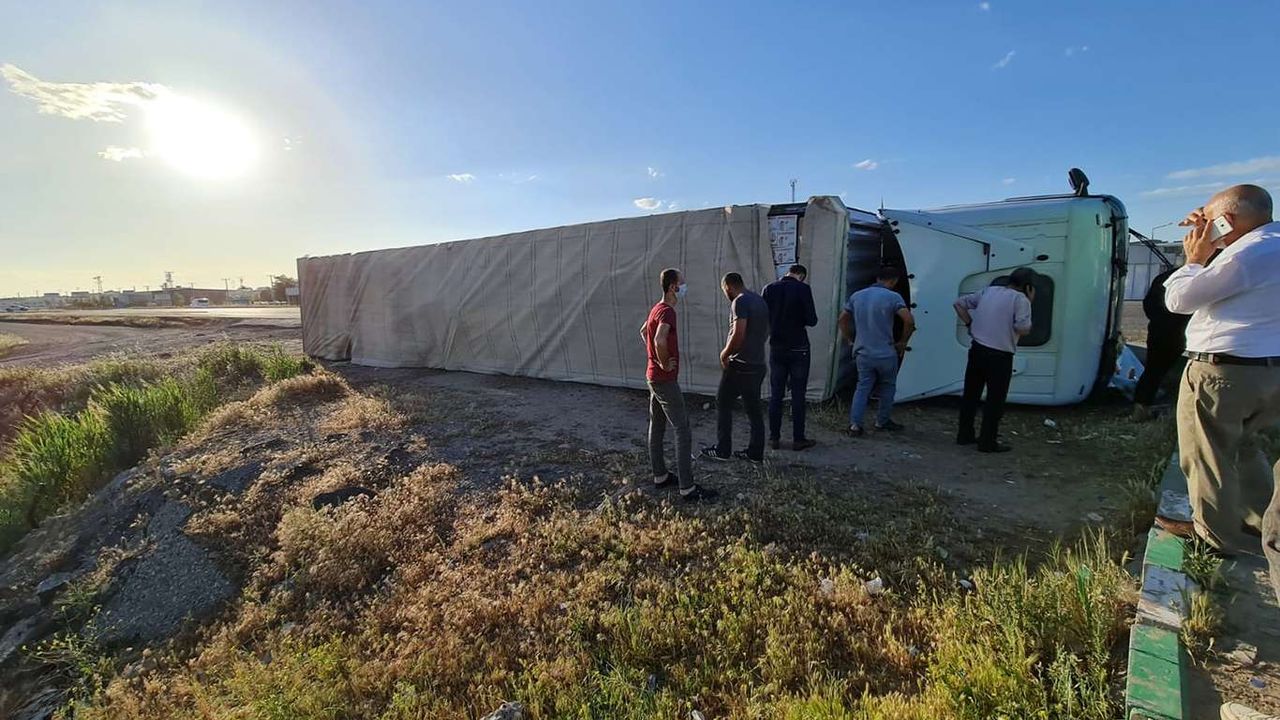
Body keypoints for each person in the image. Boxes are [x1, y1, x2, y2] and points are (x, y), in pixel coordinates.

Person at [1154, 185, 1280, 580]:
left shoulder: (1249, 254)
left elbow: (1179, 300)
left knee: (1207, 455)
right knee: (1242, 447)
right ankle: (1258, 519)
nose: (1205, 226)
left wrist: (1195, 258)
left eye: (1211, 219)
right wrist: (1215, 240)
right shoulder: (1270, 246)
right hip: (1269, 371)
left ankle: (1213, 536)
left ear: (1229, 219)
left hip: (1224, 372)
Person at [641, 268, 715, 502]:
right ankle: (687, 488)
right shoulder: (667, 312)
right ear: (673, 287)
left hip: (653, 376)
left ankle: (660, 476)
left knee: (657, 425)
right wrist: (664, 362)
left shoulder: (656, 308)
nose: (684, 286)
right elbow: (658, 339)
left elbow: (644, 332)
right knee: (682, 429)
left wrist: (654, 358)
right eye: (682, 283)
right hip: (664, 380)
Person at [953, 267, 1036, 453]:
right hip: (1000, 356)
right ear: (1028, 287)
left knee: (971, 394)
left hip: (977, 349)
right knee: (995, 400)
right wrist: (1029, 304)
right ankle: (987, 441)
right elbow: (1023, 329)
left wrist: (970, 323)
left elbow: (959, 304)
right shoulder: (1021, 300)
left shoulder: (988, 291)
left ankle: (964, 435)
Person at [701, 272, 770, 463]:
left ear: (728, 287)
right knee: (754, 410)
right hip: (758, 364)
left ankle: (723, 449)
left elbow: (738, 334)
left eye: (725, 290)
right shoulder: (759, 301)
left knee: (723, 402)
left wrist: (725, 354)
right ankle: (755, 453)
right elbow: (766, 330)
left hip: (740, 365)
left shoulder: (739, 301)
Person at [838, 266, 915, 436]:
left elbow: (842, 319)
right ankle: (882, 421)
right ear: (894, 281)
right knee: (887, 386)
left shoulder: (857, 296)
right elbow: (909, 321)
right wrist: (902, 342)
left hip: (863, 352)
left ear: (877, 278)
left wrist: (850, 338)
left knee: (862, 387)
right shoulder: (893, 297)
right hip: (885, 353)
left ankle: (855, 426)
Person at [763, 264, 819, 451]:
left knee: (776, 394)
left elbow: (764, 317)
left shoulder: (769, 289)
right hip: (798, 347)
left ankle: (774, 438)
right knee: (798, 394)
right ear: (801, 275)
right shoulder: (803, 289)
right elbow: (812, 320)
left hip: (777, 347)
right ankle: (798, 439)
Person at [1131, 266, 1192, 421]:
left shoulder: (1166, 277)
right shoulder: (1201, 278)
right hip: (1184, 331)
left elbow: (1148, 305)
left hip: (1160, 331)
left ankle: (1141, 407)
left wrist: (1160, 320)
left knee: (1153, 371)